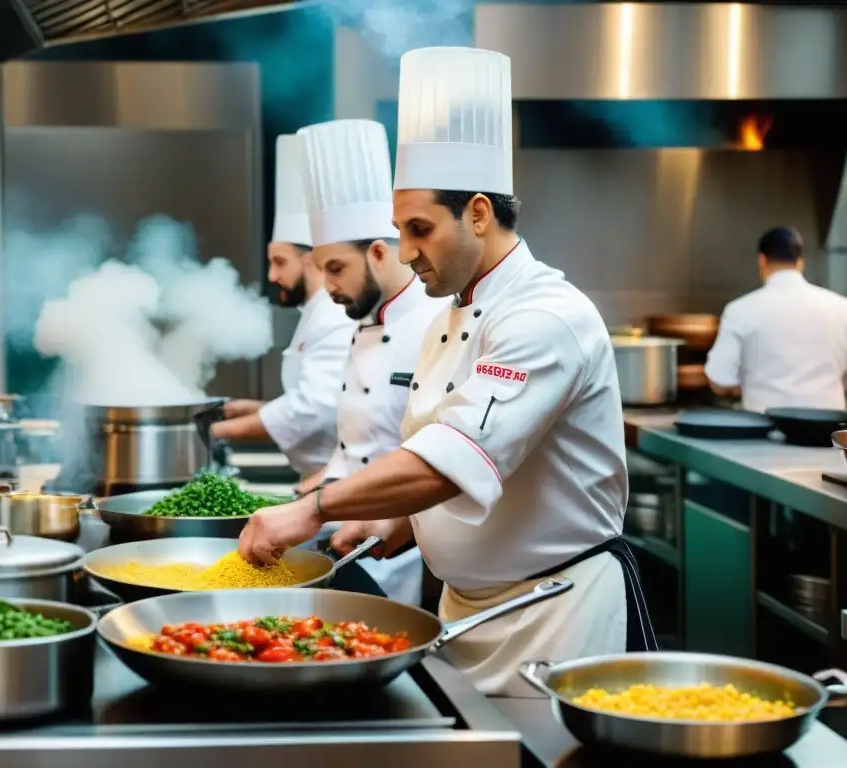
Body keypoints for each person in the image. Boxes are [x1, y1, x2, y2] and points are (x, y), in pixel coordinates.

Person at [236, 46, 656, 696]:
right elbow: (464, 469)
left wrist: (313, 509)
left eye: (420, 229)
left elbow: (446, 461)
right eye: (400, 230)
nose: (405, 252)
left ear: (480, 214)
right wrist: (398, 522)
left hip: (555, 616)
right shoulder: (446, 320)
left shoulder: (544, 316)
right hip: (466, 614)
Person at [292, 118, 451, 605]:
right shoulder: (364, 322)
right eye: (321, 270)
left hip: (406, 551)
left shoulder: (438, 322)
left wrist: (322, 502)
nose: (328, 285)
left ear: (380, 252)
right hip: (349, 536)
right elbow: (361, 441)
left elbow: (445, 458)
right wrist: (326, 482)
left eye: (335, 268)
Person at [211, 135, 355, 479]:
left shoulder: (335, 314)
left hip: (336, 481)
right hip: (318, 478)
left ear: (310, 260)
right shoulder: (313, 313)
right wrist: (259, 410)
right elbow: (323, 405)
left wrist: (212, 432)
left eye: (279, 262)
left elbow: (314, 410)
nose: (272, 275)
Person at [705, 226, 847, 412]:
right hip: (825, 431)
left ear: (762, 260)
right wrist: (830, 379)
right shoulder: (841, 307)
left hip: (765, 430)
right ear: (801, 263)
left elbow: (720, 379)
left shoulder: (740, 310)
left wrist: (750, 380)